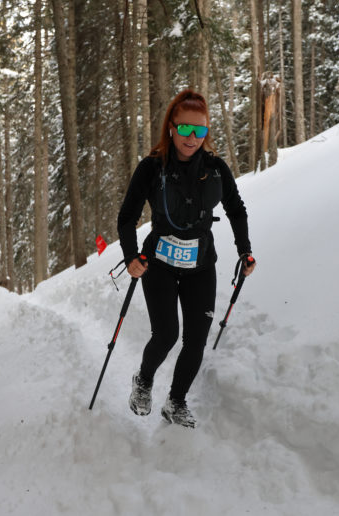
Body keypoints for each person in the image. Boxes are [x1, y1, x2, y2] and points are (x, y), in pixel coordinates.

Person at [117, 89, 256, 428]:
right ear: (171, 127)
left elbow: (236, 210)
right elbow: (127, 216)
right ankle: (144, 380)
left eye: (200, 130)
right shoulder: (152, 167)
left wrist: (245, 250)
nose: (192, 137)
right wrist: (131, 256)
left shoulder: (216, 169)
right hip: (158, 264)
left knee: (196, 340)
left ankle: (176, 401)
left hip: (200, 266)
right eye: (185, 129)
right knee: (166, 335)